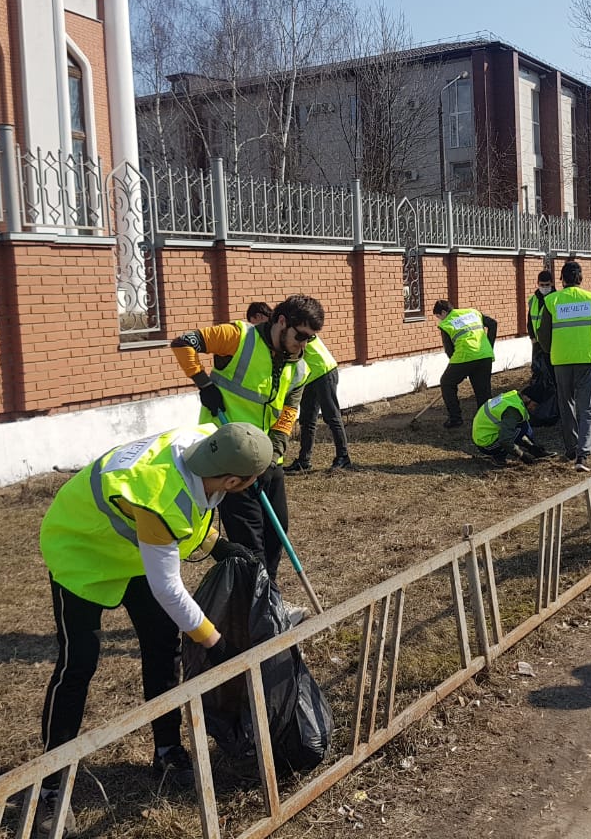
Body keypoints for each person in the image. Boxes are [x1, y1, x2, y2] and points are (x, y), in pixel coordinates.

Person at [37, 421, 273, 832]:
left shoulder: (202, 443)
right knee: (78, 664)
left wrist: (215, 543)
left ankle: (167, 750)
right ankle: (52, 787)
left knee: (163, 647)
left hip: (134, 551)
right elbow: (168, 588)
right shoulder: (157, 495)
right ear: (232, 478)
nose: (250, 488)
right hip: (81, 549)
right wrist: (215, 644)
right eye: (248, 483)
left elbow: (194, 506)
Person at [170, 295, 324, 581]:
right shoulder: (238, 337)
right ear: (281, 321)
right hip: (230, 455)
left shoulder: (299, 367)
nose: (303, 345)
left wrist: (278, 446)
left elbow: (290, 408)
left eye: (310, 340)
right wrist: (203, 383)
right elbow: (183, 343)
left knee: (277, 533)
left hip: (266, 456)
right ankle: (258, 609)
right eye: (300, 336)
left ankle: (268, 596)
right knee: (249, 540)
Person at [243, 302, 354, 474]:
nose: (255, 328)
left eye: (253, 322)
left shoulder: (292, 325)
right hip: (309, 376)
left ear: (259, 316)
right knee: (307, 420)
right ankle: (304, 461)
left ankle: (343, 457)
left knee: (331, 415)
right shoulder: (277, 332)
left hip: (324, 371)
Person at [538, 260, 591, 472]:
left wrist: (551, 351)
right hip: (587, 359)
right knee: (588, 407)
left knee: (566, 404)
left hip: (561, 361)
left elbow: (543, 334)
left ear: (561, 280)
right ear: (581, 279)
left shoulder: (552, 301)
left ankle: (571, 448)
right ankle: (583, 454)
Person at [431, 300, 497, 428]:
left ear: (444, 312)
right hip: (484, 356)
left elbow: (449, 350)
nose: (439, 320)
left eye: (438, 317)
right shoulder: (473, 312)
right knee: (483, 391)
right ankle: (486, 420)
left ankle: (455, 418)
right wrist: (489, 346)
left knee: (446, 382)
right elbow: (493, 324)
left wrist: (461, 368)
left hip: (464, 357)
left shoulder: (446, 323)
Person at [471, 388, 552, 466]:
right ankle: (499, 456)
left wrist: (532, 447)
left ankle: (534, 450)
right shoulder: (512, 411)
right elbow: (505, 439)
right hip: (486, 443)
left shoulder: (514, 398)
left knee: (521, 426)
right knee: (521, 428)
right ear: (527, 398)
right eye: (534, 405)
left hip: (484, 433)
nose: (534, 409)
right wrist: (522, 455)